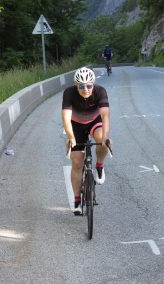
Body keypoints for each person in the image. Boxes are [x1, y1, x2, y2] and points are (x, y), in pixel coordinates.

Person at [62, 67, 111, 215]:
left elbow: (105, 116)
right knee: (77, 162)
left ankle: (99, 165)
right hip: (76, 125)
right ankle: (77, 199)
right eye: (81, 86)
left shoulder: (100, 91)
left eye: (89, 86)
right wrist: (70, 137)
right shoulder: (69, 93)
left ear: (93, 84)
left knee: (102, 139)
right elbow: (65, 117)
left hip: (93, 122)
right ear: (76, 86)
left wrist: (106, 137)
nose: (86, 89)